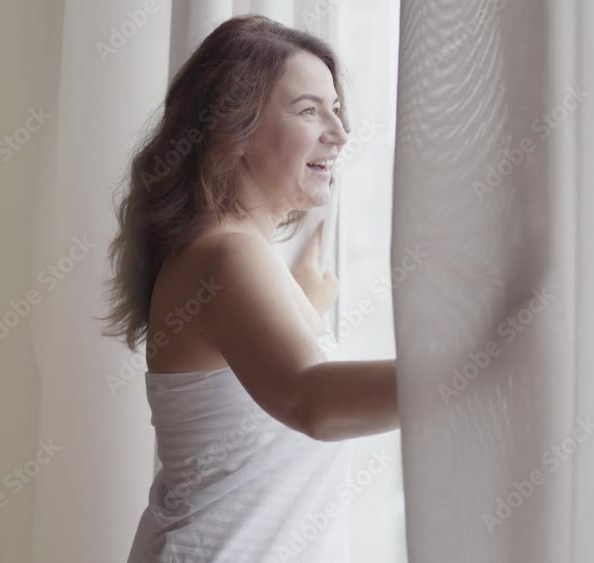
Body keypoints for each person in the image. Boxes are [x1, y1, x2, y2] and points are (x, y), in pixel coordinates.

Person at [101, 14, 398, 563]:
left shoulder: (225, 255)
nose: (339, 132)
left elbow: (248, 408)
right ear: (232, 131)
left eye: (336, 109)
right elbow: (309, 401)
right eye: (308, 110)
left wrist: (305, 307)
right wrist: (460, 370)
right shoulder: (226, 256)